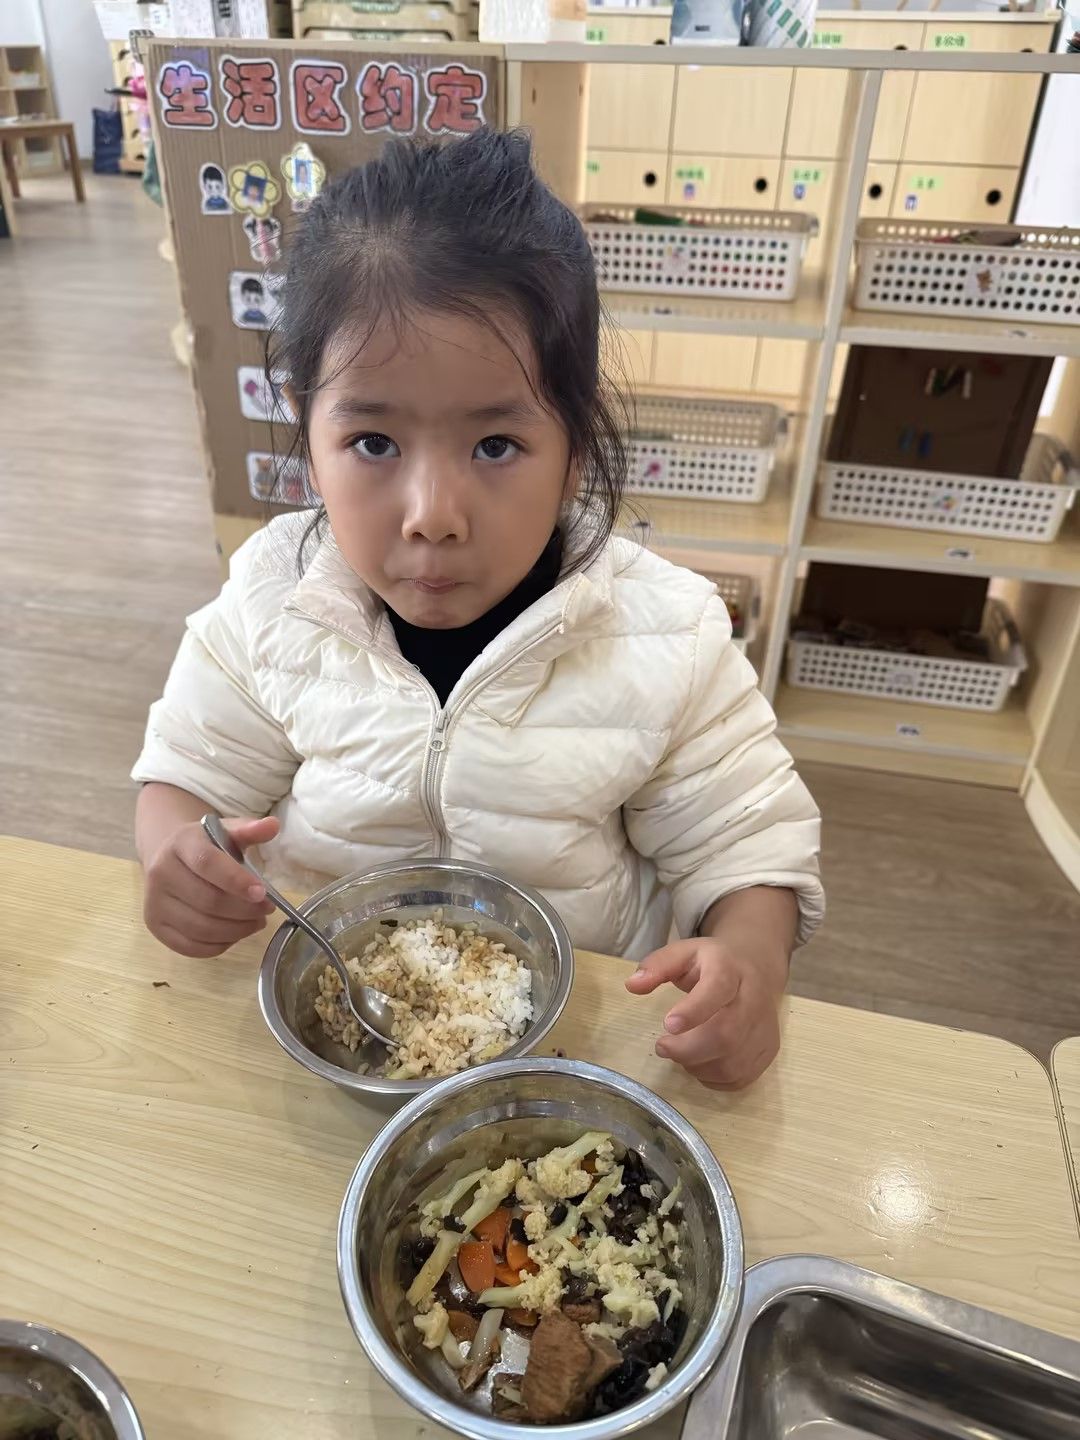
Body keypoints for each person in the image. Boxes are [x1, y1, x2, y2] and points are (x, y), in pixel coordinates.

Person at [133, 131, 823, 1089]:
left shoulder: (667, 631)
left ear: (575, 448)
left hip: (572, 1052)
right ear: (306, 424)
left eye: (496, 446)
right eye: (373, 442)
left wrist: (748, 963)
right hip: (330, 1044)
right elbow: (186, 780)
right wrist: (178, 859)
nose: (433, 516)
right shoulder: (271, 596)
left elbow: (749, 847)